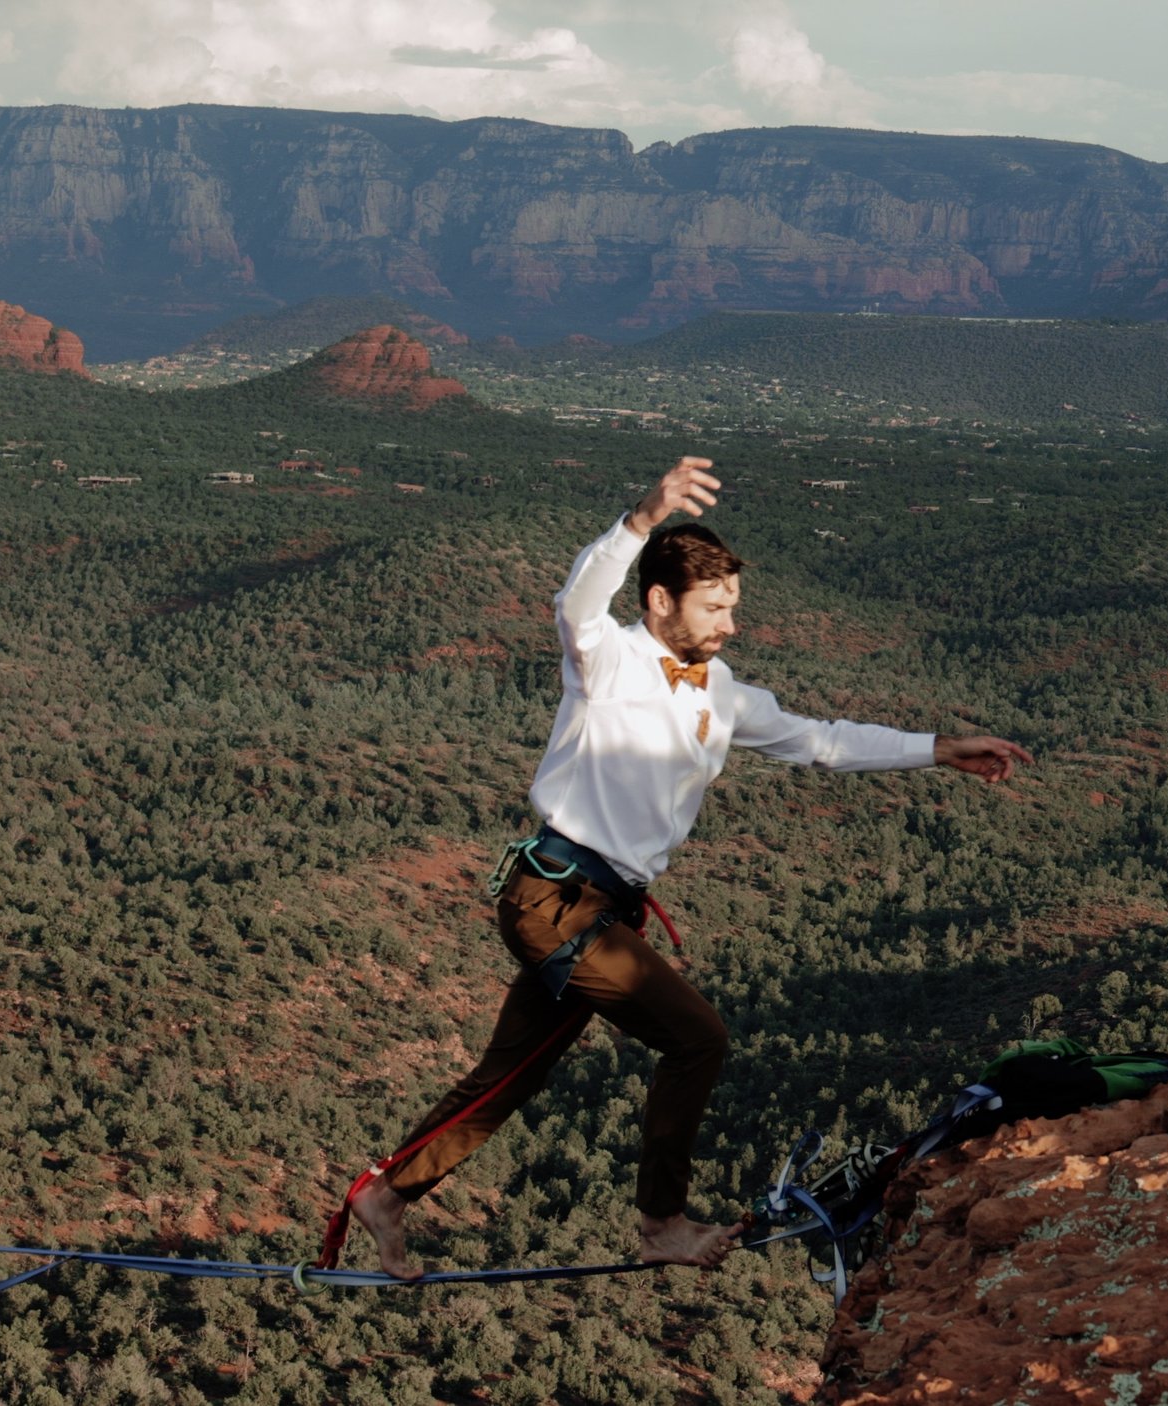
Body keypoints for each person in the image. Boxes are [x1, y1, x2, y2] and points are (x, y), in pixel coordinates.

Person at [347, 456, 1034, 1279]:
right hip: (555, 898)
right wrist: (641, 517)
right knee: (699, 1040)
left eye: (733, 608)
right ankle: (661, 1222)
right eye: (714, 608)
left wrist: (938, 750)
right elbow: (575, 602)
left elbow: (823, 740)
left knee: (514, 1072)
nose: (729, 625)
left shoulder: (725, 691)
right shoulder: (605, 661)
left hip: (604, 907)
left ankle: (387, 1195)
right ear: (660, 601)